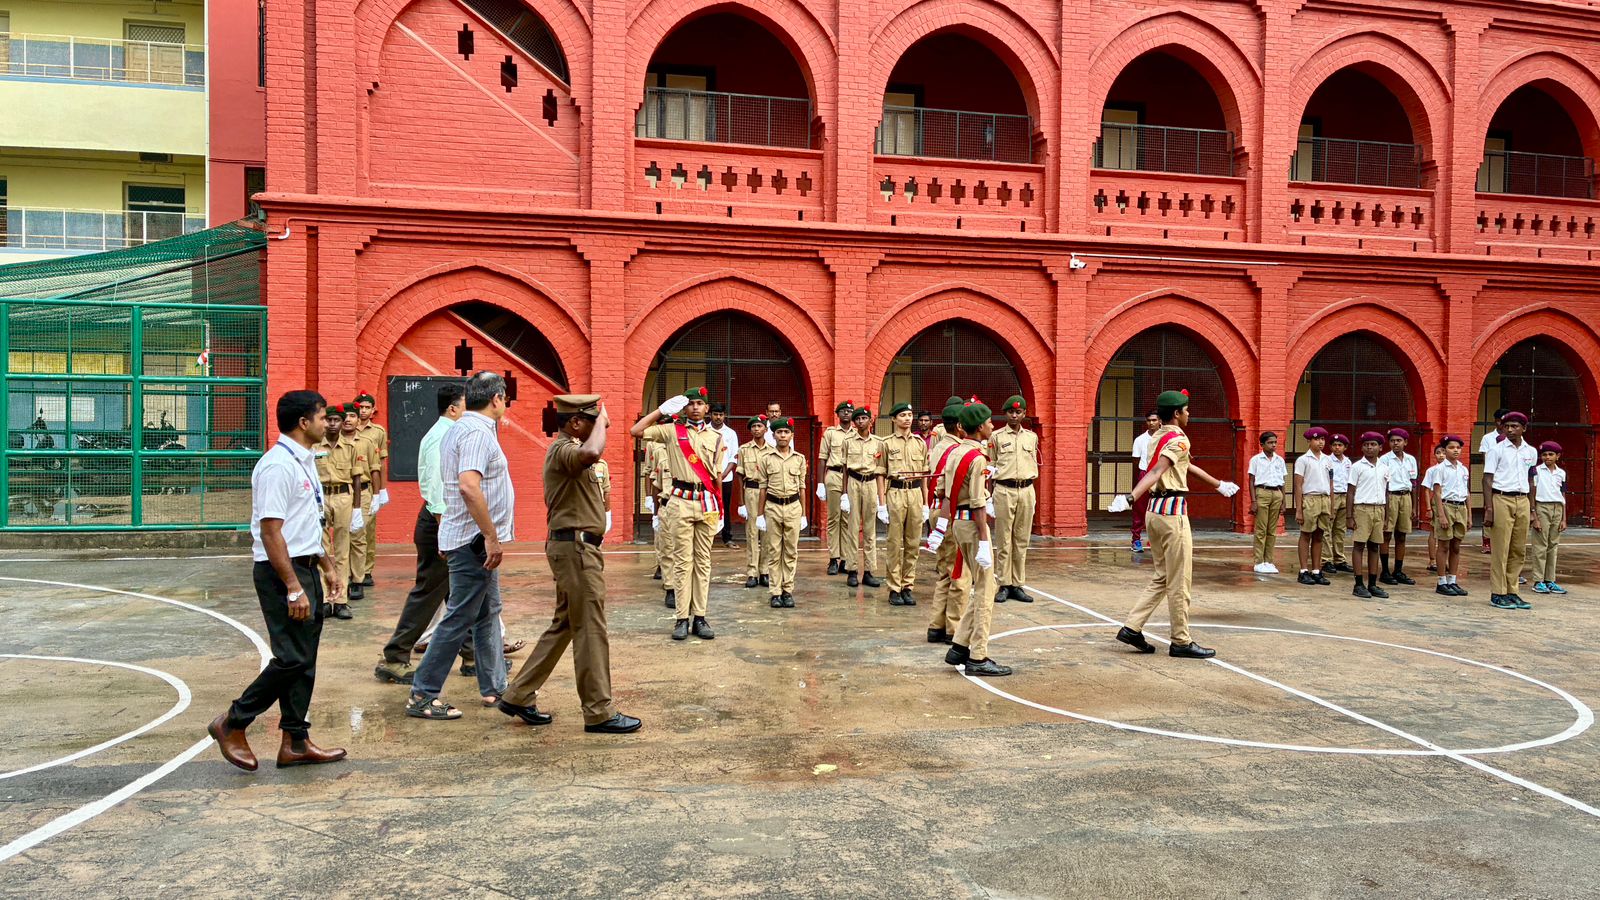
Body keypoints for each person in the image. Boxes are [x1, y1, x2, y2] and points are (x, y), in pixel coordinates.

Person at [208, 391, 346, 771]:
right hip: (281, 572)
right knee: (291, 658)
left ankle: (296, 742)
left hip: (304, 566)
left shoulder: (304, 461)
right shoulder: (277, 466)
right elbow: (271, 532)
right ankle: (233, 721)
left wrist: (326, 564)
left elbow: (305, 522)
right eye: (322, 417)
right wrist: (293, 587)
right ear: (304, 422)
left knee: (305, 658)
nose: (326, 423)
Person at [497, 395, 640, 735]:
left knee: (565, 624)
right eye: (592, 421)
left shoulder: (569, 450)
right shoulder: (564, 450)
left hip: (575, 548)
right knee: (590, 628)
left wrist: (598, 423)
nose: (599, 427)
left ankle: (518, 694)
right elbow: (592, 453)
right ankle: (599, 711)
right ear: (576, 422)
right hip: (576, 550)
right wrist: (602, 422)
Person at [405, 372, 513, 720]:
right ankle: (422, 693)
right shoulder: (476, 432)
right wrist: (490, 536)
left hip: (469, 538)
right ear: (496, 398)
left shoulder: (461, 429)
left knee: (487, 612)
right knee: (459, 617)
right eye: (504, 397)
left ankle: (494, 686)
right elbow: (468, 486)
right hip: (474, 542)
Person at [1109, 389, 1239, 659]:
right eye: (1186, 410)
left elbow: (1185, 466)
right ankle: (1181, 640)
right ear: (1177, 413)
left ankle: (1132, 627)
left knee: (1163, 575)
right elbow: (1158, 470)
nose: (1189, 414)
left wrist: (1218, 484)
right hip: (1172, 513)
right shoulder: (1179, 438)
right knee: (1179, 580)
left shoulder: (1156, 437)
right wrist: (1131, 497)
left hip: (1154, 513)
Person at [375, 383, 466, 684]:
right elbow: (439, 487)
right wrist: (445, 532)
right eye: (466, 405)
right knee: (429, 592)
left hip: (442, 521)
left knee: (463, 592)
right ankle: (395, 655)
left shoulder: (443, 433)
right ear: (453, 409)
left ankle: (474, 654)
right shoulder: (443, 437)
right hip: (440, 522)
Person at [633, 387, 725, 641]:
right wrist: (661, 410)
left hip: (706, 501)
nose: (695, 407)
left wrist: (720, 508)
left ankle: (700, 617)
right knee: (683, 562)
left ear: (707, 408)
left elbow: (716, 475)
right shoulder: (672, 431)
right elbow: (636, 431)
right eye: (691, 403)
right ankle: (682, 618)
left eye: (700, 403)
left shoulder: (716, 437)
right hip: (680, 501)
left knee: (703, 562)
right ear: (684, 408)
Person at [928, 400, 1009, 676]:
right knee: (986, 590)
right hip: (973, 524)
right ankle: (978, 655)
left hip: (959, 523)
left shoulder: (954, 452)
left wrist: (942, 525)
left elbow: (943, 490)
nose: (992, 426)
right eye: (989, 422)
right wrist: (985, 541)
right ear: (980, 426)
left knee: (984, 584)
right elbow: (977, 502)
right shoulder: (977, 458)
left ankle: (960, 645)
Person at [1483, 411, 1537, 609]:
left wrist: (1532, 509)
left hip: (1522, 500)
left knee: (1518, 549)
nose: (1510, 430)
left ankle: (1512, 591)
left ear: (1524, 428)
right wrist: (1489, 508)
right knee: (1501, 548)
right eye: (1507, 426)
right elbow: (1487, 479)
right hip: (1501, 497)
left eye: (1515, 426)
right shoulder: (1496, 450)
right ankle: (1498, 592)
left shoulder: (1531, 451)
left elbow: (1531, 480)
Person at [314, 404, 361, 620]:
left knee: (343, 550)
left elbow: (357, 478)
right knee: (321, 549)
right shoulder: (315, 446)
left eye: (337, 420)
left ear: (343, 423)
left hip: (343, 496)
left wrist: (357, 508)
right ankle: (325, 599)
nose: (332, 424)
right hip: (321, 497)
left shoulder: (351, 447)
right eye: (329, 419)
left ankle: (341, 600)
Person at [990, 395, 1039, 604]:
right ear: (1005, 413)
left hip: (1026, 489)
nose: (1014, 415)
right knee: (1004, 539)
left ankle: (1017, 584)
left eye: (1018, 412)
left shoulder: (1031, 437)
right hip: (1004, 489)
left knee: (1021, 539)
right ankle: (1003, 583)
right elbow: (990, 466)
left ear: (1024, 414)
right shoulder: (996, 437)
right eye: (1011, 412)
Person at [925, 401, 966, 645]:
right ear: (960, 426)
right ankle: (954, 628)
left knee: (944, 571)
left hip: (936, 509)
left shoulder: (938, 445)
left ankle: (936, 625)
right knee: (957, 572)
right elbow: (952, 490)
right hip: (949, 512)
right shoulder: (958, 451)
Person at [882, 403, 929, 606]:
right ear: (894, 419)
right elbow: (880, 474)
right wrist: (881, 504)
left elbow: (925, 475)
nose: (907, 418)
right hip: (896, 492)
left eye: (910, 414)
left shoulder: (920, 443)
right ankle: (894, 588)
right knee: (894, 543)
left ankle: (907, 586)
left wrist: (926, 503)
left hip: (915, 493)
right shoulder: (886, 443)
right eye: (902, 415)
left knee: (913, 542)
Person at [758, 417, 808, 607]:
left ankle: (787, 590)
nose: (783, 435)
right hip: (773, 507)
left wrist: (803, 514)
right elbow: (763, 488)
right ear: (773, 436)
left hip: (793, 507)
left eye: (786, 432)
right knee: (774, 550)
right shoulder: (766, 459)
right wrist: (760, 515)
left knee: (791, 551)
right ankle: (775, 592)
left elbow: (802, 487)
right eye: (779, 432)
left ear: (791, 436)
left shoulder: (799, 459)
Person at [842, 406, 886, 589]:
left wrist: (881, 499)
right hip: (853, 481)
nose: (861, 422)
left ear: (870, 420)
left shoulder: (878, 443)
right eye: (858, 419)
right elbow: (844, 469)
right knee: (852, 528)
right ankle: (852, 570)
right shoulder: (848, 441)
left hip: (871, 483)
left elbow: (881, 470)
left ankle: (869, 571)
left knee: (870, 529)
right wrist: (844, 494)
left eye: (864, 418)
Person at [1422, 436, 1471, 597]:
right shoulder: (1440, 469)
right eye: (1451, 447)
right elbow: (1437, 492)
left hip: (1460, 506)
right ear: (1445, 450)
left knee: (1456, 546)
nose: (1455, 450)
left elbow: (1467, 492)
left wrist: (1469, 515)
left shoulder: (1463, 469)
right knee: (1443, 545)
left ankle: (1452, 580)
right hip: (1446, 506)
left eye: (1458, 447)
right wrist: (1441, 515)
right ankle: (1441, 581)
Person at [1347, 433, 1391, 599]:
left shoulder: (1384, 467)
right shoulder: (1357, 467)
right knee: (1359, 545)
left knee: (1374, 546)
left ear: (1380, 447)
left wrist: (1386, 516)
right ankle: (1358, 584)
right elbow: (1350, 492)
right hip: (1362, 508)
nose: (1369, 447)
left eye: (1373, 444)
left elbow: (1386, 492)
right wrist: (1349, 516)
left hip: (1379, 509)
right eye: (1366, 444)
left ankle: (1372, 583)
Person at [355, 392, 390, 588]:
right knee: (353, 531)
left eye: (367, 407)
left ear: (373, 410)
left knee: (368, 529)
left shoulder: (378, 432)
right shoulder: (346, 428)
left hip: (368, 485)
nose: (363, 411)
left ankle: (367, 569)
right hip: (350, 486)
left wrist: (381, 490)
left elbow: (381, 462)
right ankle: (354, 570)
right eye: (360, 407)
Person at [341, 410, 377, 600]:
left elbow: (375, 468)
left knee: (358, 535)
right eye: (345, 416)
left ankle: (357, 580)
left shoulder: (367, 442)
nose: (348, 420)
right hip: (341, 492)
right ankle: (343, 577)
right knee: (341, 538)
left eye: (352, 416)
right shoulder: (331, 442)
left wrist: (378, 494)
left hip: (362, 492)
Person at [1377, 428, 1420, 586]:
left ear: (1405, 442)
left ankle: (1398, 570)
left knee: (1402, 535)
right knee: (1386, 534)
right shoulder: (1384, 460)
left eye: (1399, 440)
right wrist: (1385, 506)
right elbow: (1383, 483)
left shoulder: (1410, 460)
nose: (1395, 443)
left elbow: (1413, 483)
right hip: (1391, 496)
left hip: (1406, 497)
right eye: (1392, 441)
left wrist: (1414, 507)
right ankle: (1385, 571)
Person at [1294, 427, 1333, 586]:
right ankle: (1303, 570)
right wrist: (1299, 509)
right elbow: (1298, 485)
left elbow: (1331, 483)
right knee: (1306, 534)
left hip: (1324, 499)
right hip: (1310, 499)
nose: (1320, 442)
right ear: (1309, 441)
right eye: (1316, 439)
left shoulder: (1328, 460)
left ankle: (1316, 570)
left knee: (1319, 535)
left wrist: (1331, 506)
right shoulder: (1303, 460)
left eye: (1322, 439)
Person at [737, 417, 773, 589]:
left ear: (766, 429)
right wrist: (740, 502)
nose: (756, 429)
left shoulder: (772, 450)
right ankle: (752, 572)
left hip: (768, 492)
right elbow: (739, 476)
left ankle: (764, 571)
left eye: (759, 426)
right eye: (753, 426)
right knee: (752, 532)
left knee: (766, 532)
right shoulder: (744, 449)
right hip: (751, 491)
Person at [818, 401, 854, 575]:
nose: (846, 413)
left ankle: (845, 559)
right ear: (837, 414)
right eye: (843, 411)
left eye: (849, 411)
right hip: (834, 474)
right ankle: (833, 558)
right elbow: (822, 458)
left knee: (847, 519)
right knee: (834, 518)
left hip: (851, 478)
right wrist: (820, 483)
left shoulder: (857, 434)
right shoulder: (830, 433)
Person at [645, 436, 680, 608]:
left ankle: (685, 588)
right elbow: (656, 485)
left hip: (686, 506)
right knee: (667, 549)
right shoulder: (662, 458)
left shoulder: (692, 459)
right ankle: (670, 588)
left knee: (687, 551)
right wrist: (655, 513)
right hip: (666, 506)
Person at [1531, 441, 1568, 595]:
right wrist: (1534, 515)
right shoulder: (1536, 471)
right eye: (1544, 454)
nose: (1547, 457)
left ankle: (1549, 580)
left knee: (1553, 545)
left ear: (1557, 456)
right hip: (1542, 507)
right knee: (1540, 544)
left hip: (1557, 508)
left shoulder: (1561, 473)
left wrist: (1564, 518)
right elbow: (1532, 492)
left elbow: (1563, 494)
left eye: (1551, 454)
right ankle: (1538, 580)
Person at [1248, 431, 1286, 574]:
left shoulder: (1279, 460)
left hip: (1276, 493)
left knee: (1272, 530)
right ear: (1262, 444)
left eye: (1275, 442)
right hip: (1262, 492)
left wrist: (1284, 501)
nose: (1273, 445)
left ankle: (1268, 561)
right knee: (1261, 529)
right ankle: (1259, 561)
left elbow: (1283, 482)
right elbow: (1251, 480)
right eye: (1270, 442)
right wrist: (1253, 500)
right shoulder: (1256, 460)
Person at [1479, 408, 1510, 554]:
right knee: (1489, 507)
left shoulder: (1513, 437)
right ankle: (1487, 540)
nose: (1503, 425)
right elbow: (1486, 460)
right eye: (1500, 421)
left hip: (1508, 480)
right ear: (1496, 421)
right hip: (1492, 478)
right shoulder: (1488, 438)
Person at [710, 403, 740, 549]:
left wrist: (723, 474)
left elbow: (734, 457)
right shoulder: (704, 430)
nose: (718, 417)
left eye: (721, 414)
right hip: (707, 477)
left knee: (724, 507)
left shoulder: (731, 433)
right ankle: (707, 537)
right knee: (708, 506)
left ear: (724, 415)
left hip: (725, 478)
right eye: (715, 414)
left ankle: (727, 538)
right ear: (710, 415)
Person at [1130, 411, 1160, 553]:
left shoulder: (1166, 438)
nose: (1151, 423)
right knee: (1140, 508)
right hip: (1145, 473)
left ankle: (1155, 540)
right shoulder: (1140, 440)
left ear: (1160, 421)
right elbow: (1135, 461)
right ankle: (1136, 540)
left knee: (1159, 508)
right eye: (1149, 420)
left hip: (1161, 475)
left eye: (1154, 420)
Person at [1323, 434, 1353, 574]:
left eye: (1340, 445)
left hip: (1344, 495)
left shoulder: (1348, 462)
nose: (1337, 448)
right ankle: (1326, 559)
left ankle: (1339, 559)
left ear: (1345, 447)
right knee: (1327, 528)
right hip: (1332, 495)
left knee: (1340, 530)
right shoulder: (1327, 461)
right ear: (1330, 447)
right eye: (1334, 445)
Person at [1422, 443, 1447, 573]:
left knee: (1447, 533)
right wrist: (1428, 508)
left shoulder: (1455, 468)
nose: (1441, 455)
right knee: (1433, 531)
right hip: (1436, 503)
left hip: (1449, 503)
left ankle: (1444, 561)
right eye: (1438, 453)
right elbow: (1427, 490)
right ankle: (1432, 560)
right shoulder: (1432, 470)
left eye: (1443, 452)